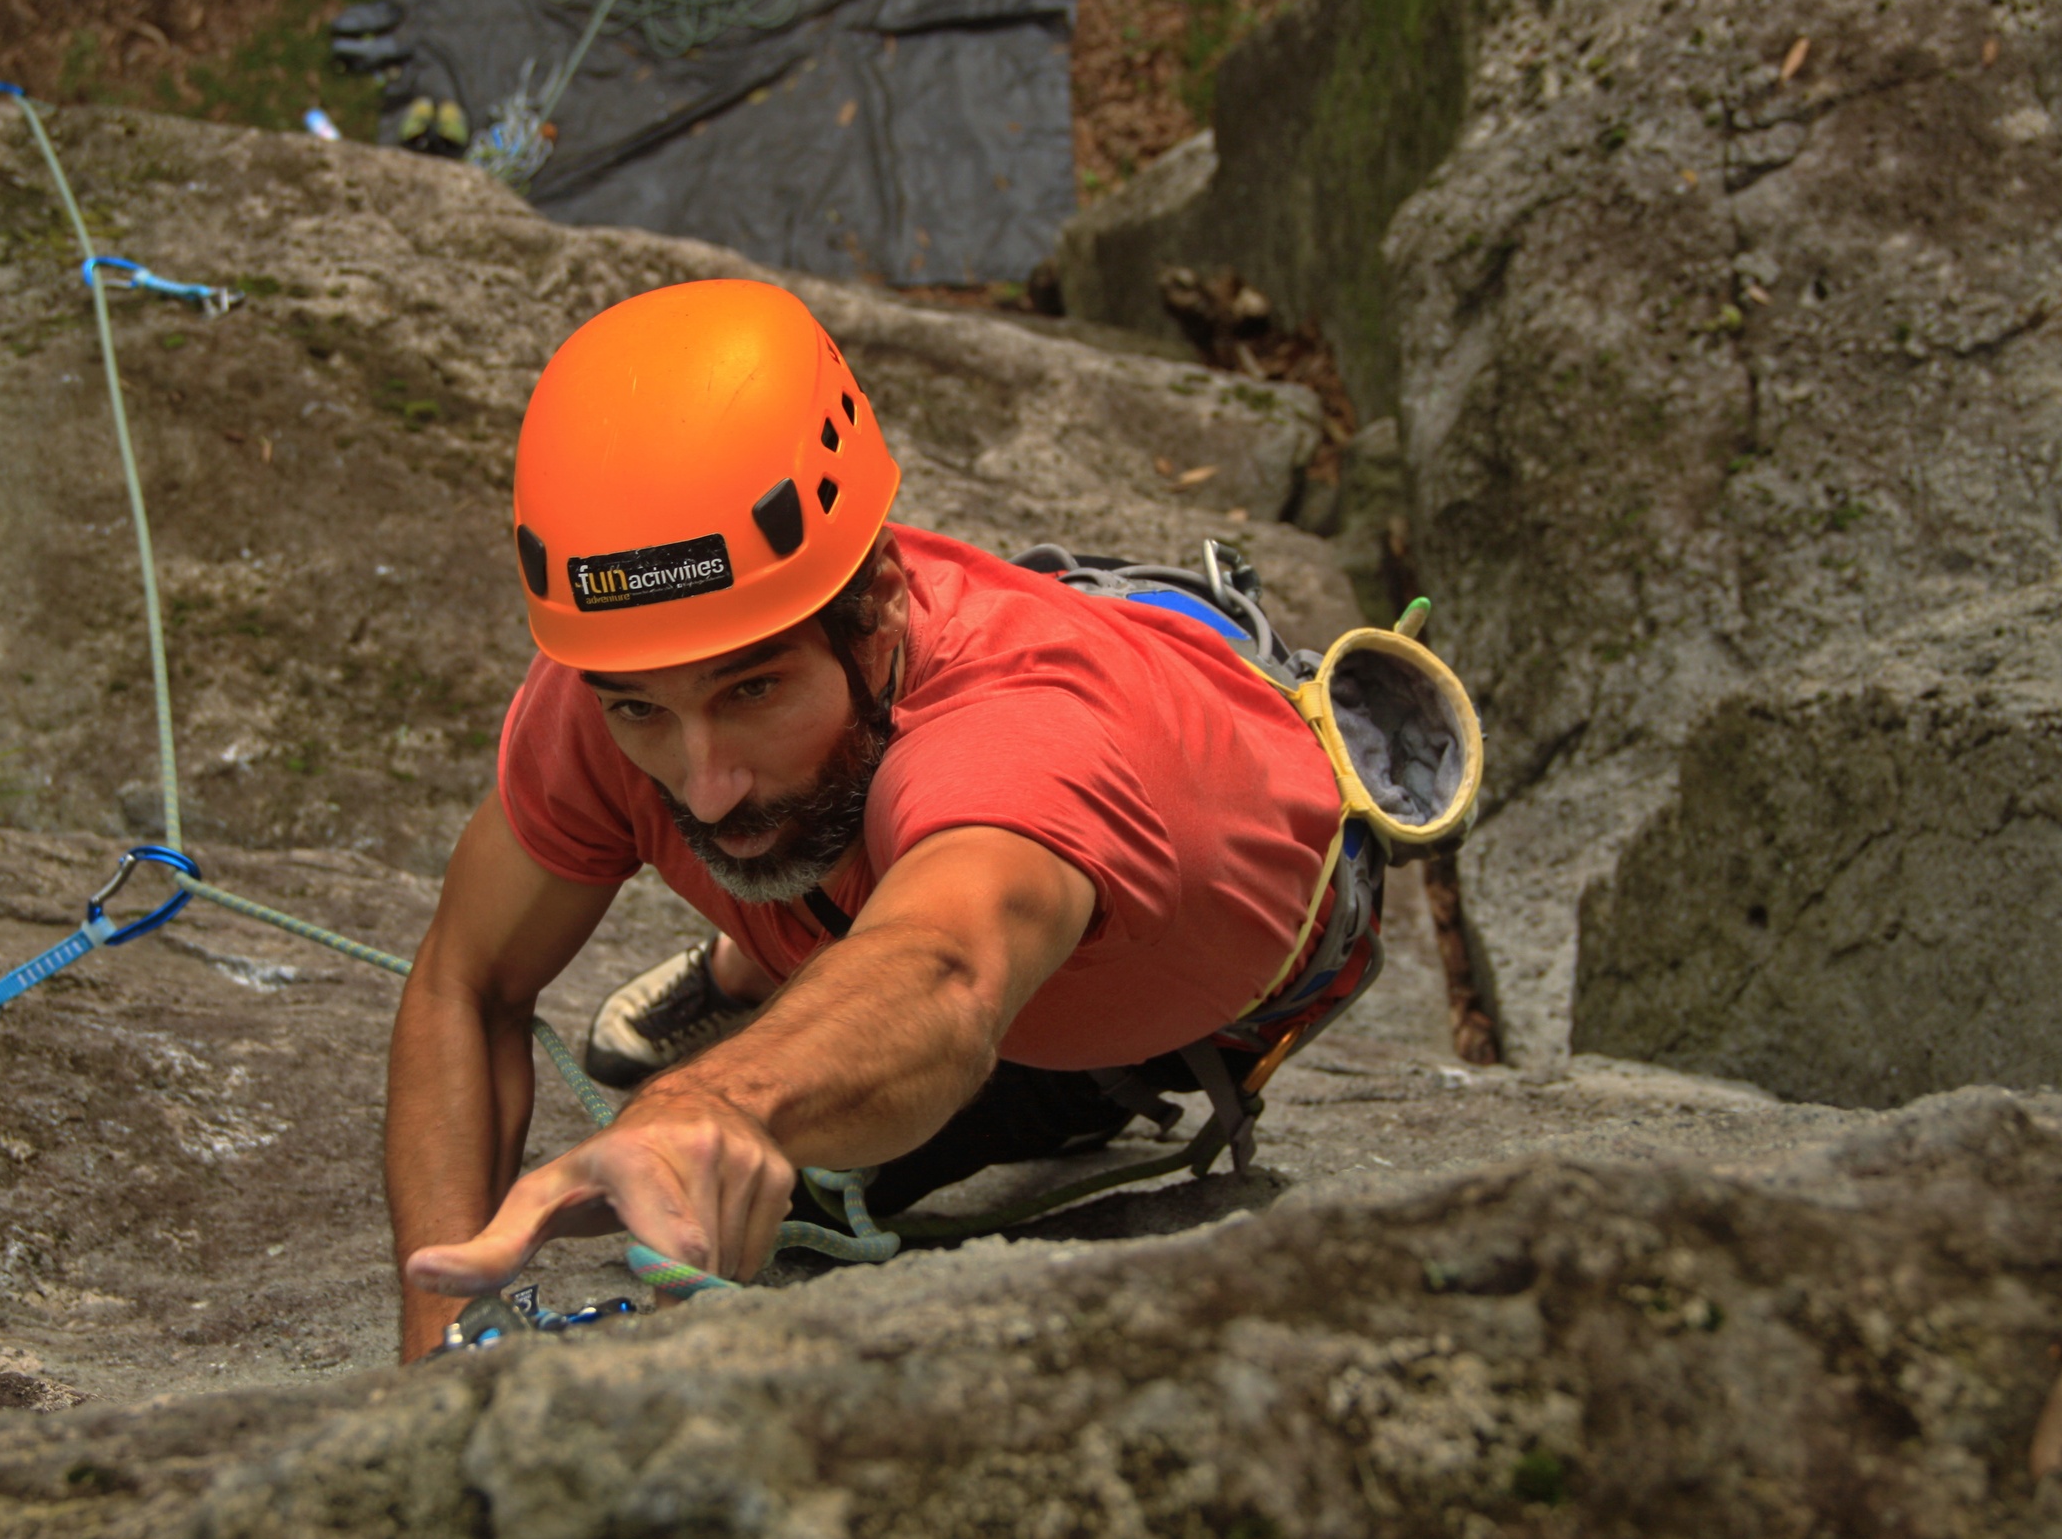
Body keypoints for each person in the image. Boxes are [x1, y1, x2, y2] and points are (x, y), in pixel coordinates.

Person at [383, 278, 1360, 1362]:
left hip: (1141, 994)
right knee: (790, 840)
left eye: (751, 689)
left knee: (802, 1194)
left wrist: (715, 1101)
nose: (702, 782)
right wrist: (436, 1345)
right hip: (904, 875)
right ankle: (767, 955)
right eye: (641, 711)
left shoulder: (1021, 736)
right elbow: (466, 982)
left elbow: (945, 967)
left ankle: (765, 970)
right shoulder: (606, 689)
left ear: (882, 601)